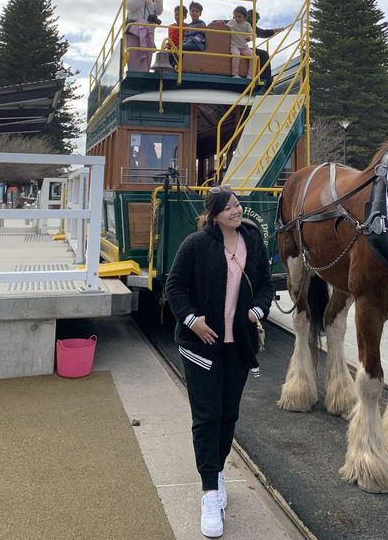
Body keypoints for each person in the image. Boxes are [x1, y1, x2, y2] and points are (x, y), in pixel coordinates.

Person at [165, 185, 273, 538]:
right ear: (213, 214)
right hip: (202, 348)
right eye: (227, 208)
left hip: (237, 346)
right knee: (207, 416)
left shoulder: (253, 241)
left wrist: (257, 309)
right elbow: (174, 286)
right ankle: (209, 492)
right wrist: (192, 320)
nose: (235, 211)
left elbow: (264, 285)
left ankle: (218, 471)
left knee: (229, 413)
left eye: (238, 205)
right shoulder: (196, 244)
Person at [125, 0, 163, 72]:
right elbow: (131, 6)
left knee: (147, 55)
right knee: (134, 55)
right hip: (134, 30)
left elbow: (159, 11)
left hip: (148, 31)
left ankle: (145, 72)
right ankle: (134, 73)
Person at [246, 9, 285, 91]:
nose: (255, 23)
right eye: (255, 21)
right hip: (237, 47)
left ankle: (265, 82)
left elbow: (264, 33)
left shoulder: (246, 25)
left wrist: (278, 29)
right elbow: (264, 33)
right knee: (264, 54)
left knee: (258, 52)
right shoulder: (240, 23)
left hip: (238, 47)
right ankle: (267, 85)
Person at [226, 6, 254, 79]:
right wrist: (220, 22)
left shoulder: (247, 25)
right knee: (236, 54)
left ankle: (249, 75)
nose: (237, 18)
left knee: (253, 56)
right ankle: (235, 74)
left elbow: (253, 35)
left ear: (244, 17)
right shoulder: (232, 22)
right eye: (235, 16)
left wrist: (249, 38)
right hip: (234, 45)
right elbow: (225, 28)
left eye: (239, 17)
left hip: (244, 46)